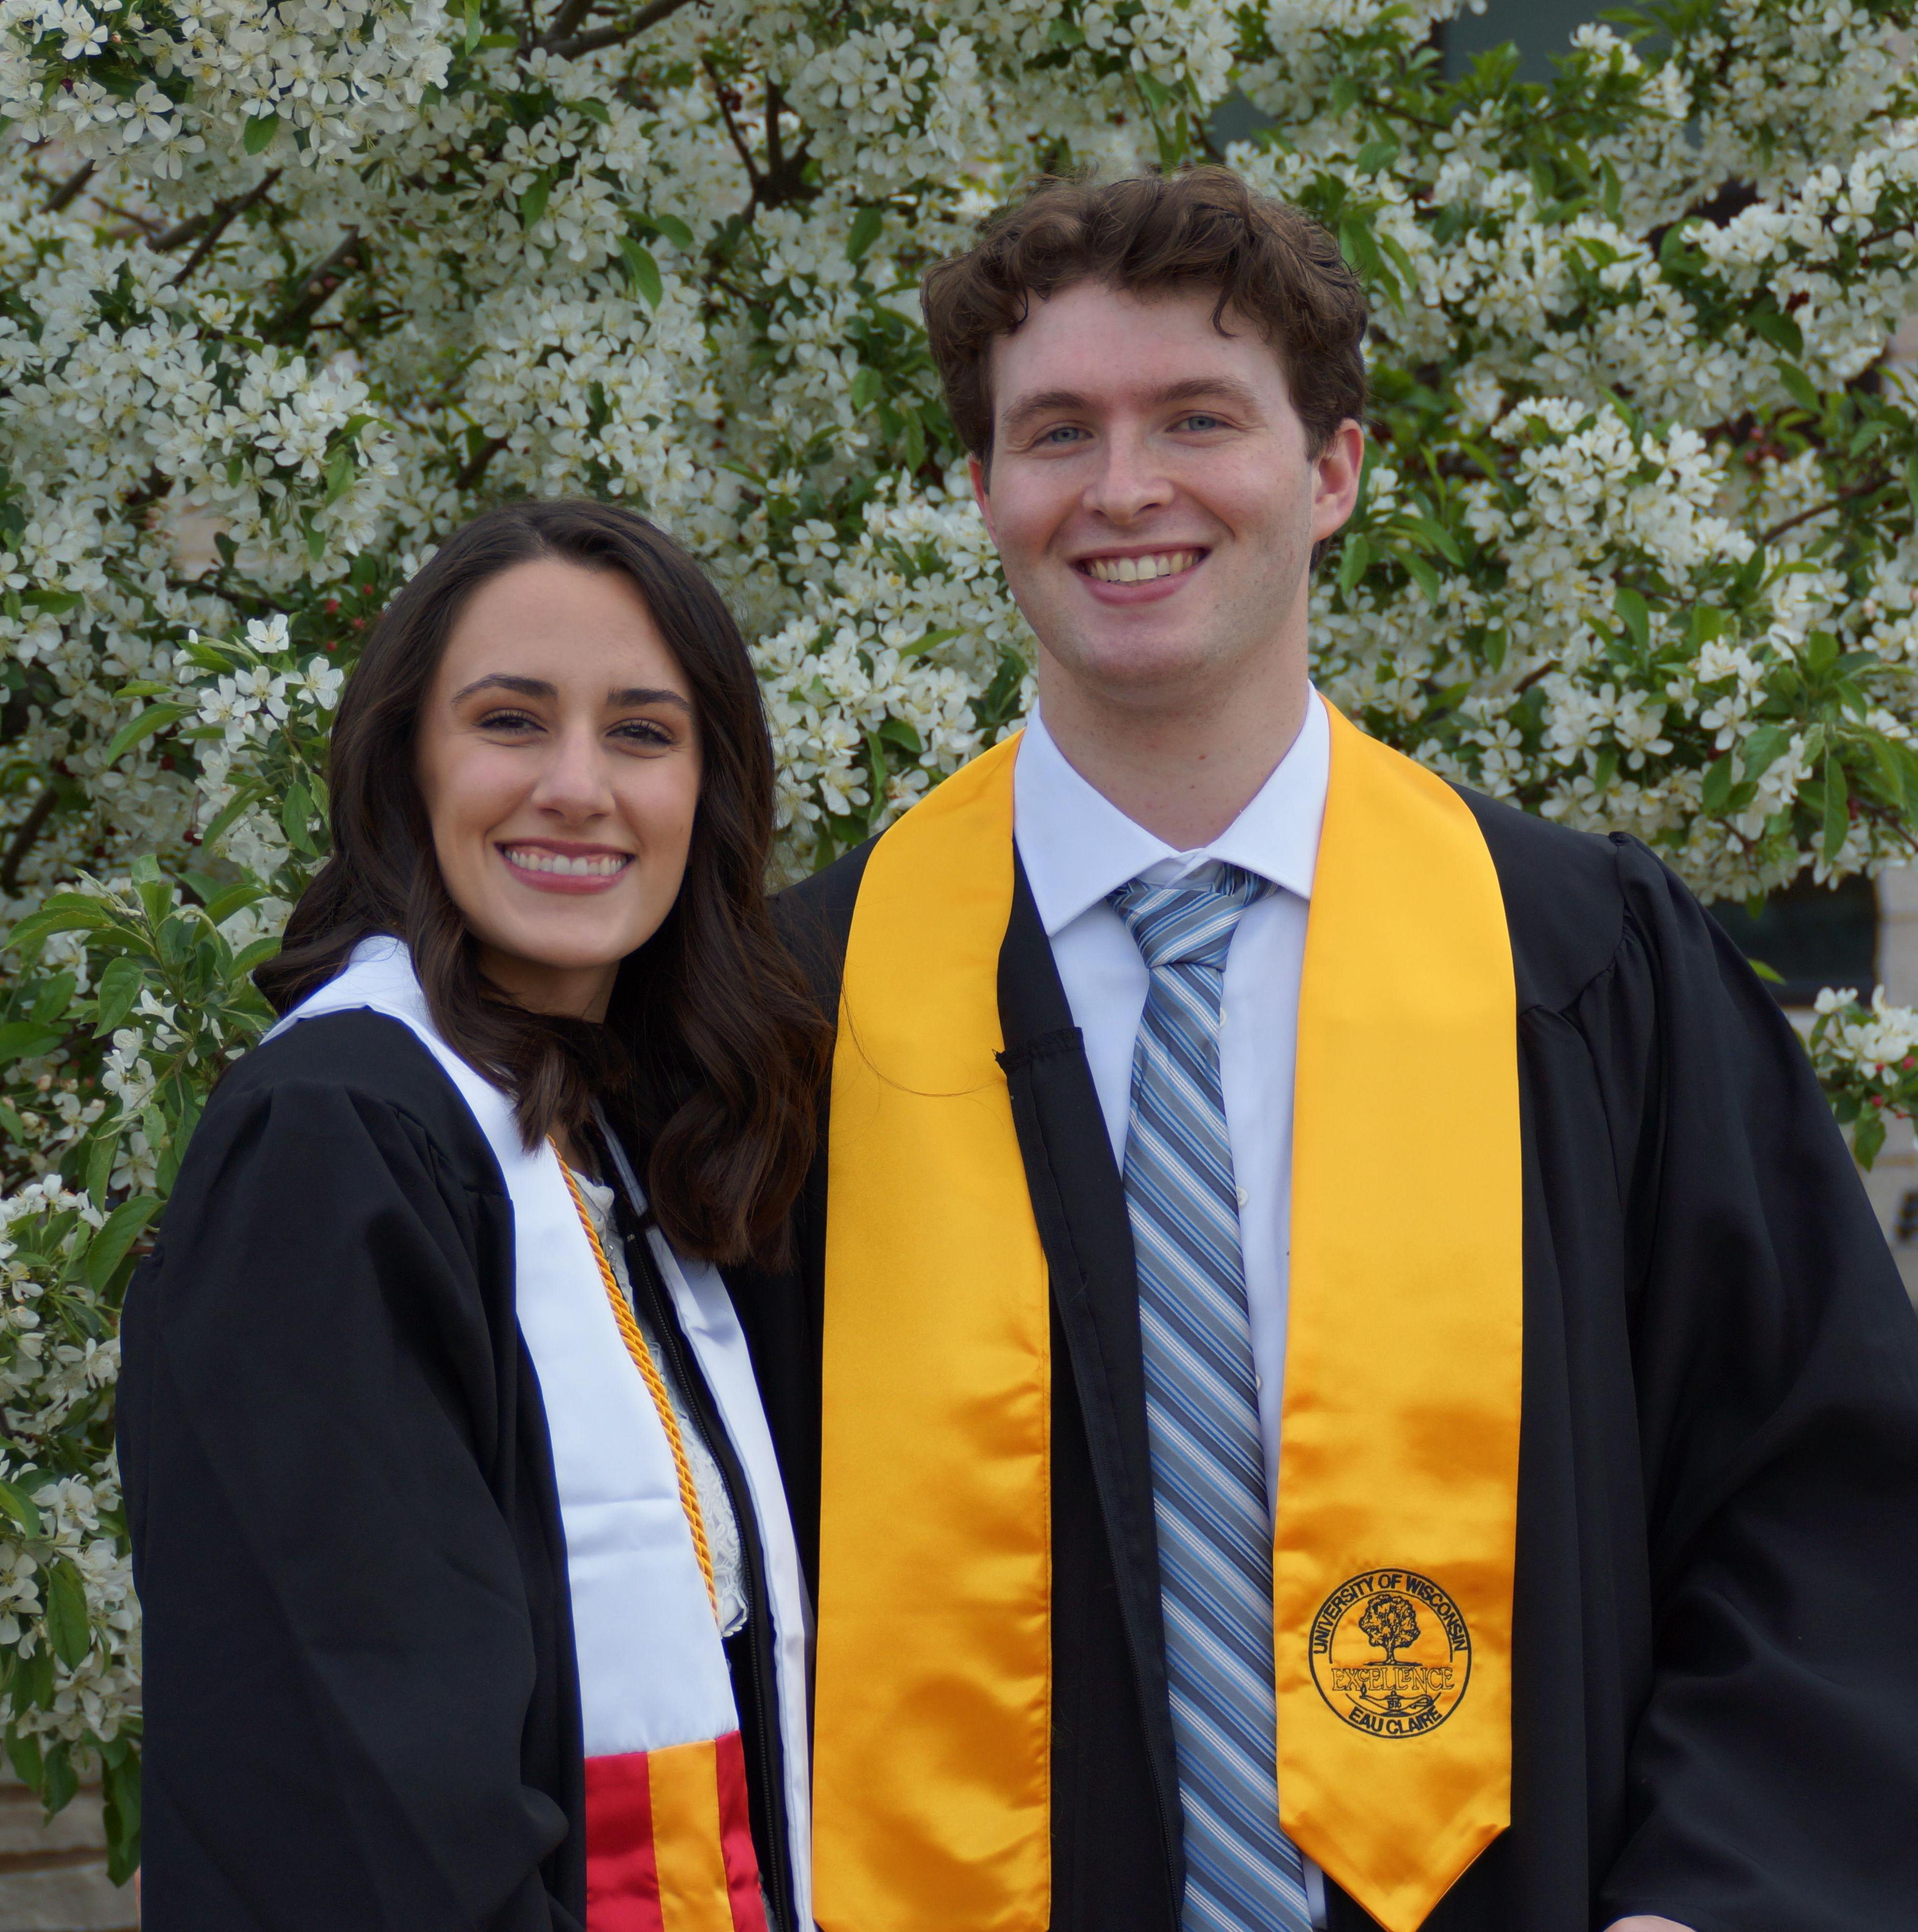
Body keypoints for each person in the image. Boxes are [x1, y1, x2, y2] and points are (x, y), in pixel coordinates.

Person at [726, 169, 1918, 1932]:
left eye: (1197, 419)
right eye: (1056, 434)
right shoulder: (805, 1010)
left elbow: (1819, 1489)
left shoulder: (1578, 966)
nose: (1125, 490)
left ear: (1334, 471)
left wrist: (1709, 1905)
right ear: (979, 493)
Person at [119, 500, 830, 1932]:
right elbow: (372, 1777)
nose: (578, 786)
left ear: (708, 791)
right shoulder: (336, 1144)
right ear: (406, 766)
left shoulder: (633, 1146)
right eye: (511, 721)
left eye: (642, 733)